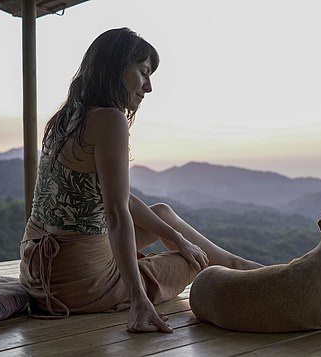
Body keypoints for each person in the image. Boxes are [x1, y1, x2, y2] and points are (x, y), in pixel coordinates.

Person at [19, 27, 261, 333]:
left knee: (161, 213)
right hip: (80, 284)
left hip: (40, 273)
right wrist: (138, 299)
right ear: (117, 68)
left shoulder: (69, 116)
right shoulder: (108, 119)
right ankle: (246, 271)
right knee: (195, 260)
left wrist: (180, 239)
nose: (148, 87)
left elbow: (116, 198)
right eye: (143, 72)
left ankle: (237, 264)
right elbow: (116, 214)